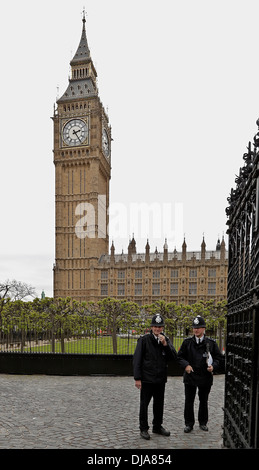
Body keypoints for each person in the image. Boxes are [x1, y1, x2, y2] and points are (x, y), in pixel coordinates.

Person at [133, 313, 177, 440]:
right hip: (147, 379)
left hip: (160, 379)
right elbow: (137, 360)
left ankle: (157, 426)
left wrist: (165, 345)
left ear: (162, 328)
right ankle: (143, 428)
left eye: (160, 326)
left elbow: (173, 357)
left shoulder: (165, 340)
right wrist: (137, 378)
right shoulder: (144, 340)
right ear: (151, 327)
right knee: (144, 404)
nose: (158, 329)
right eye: (155, 326)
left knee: (159, 404)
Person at [177, 315, 223, 433]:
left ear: (204, 329)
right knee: (189, 400)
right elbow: (180, 356)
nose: (195, 330)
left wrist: (214, 367)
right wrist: (186, 365)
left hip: (205, 376)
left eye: (198, 327)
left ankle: (203, 422)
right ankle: (189, 423)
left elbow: (219, 358)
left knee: (203, 400)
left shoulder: (211, 343)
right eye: (194, 328)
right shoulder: (187, 343)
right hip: (190, 375)